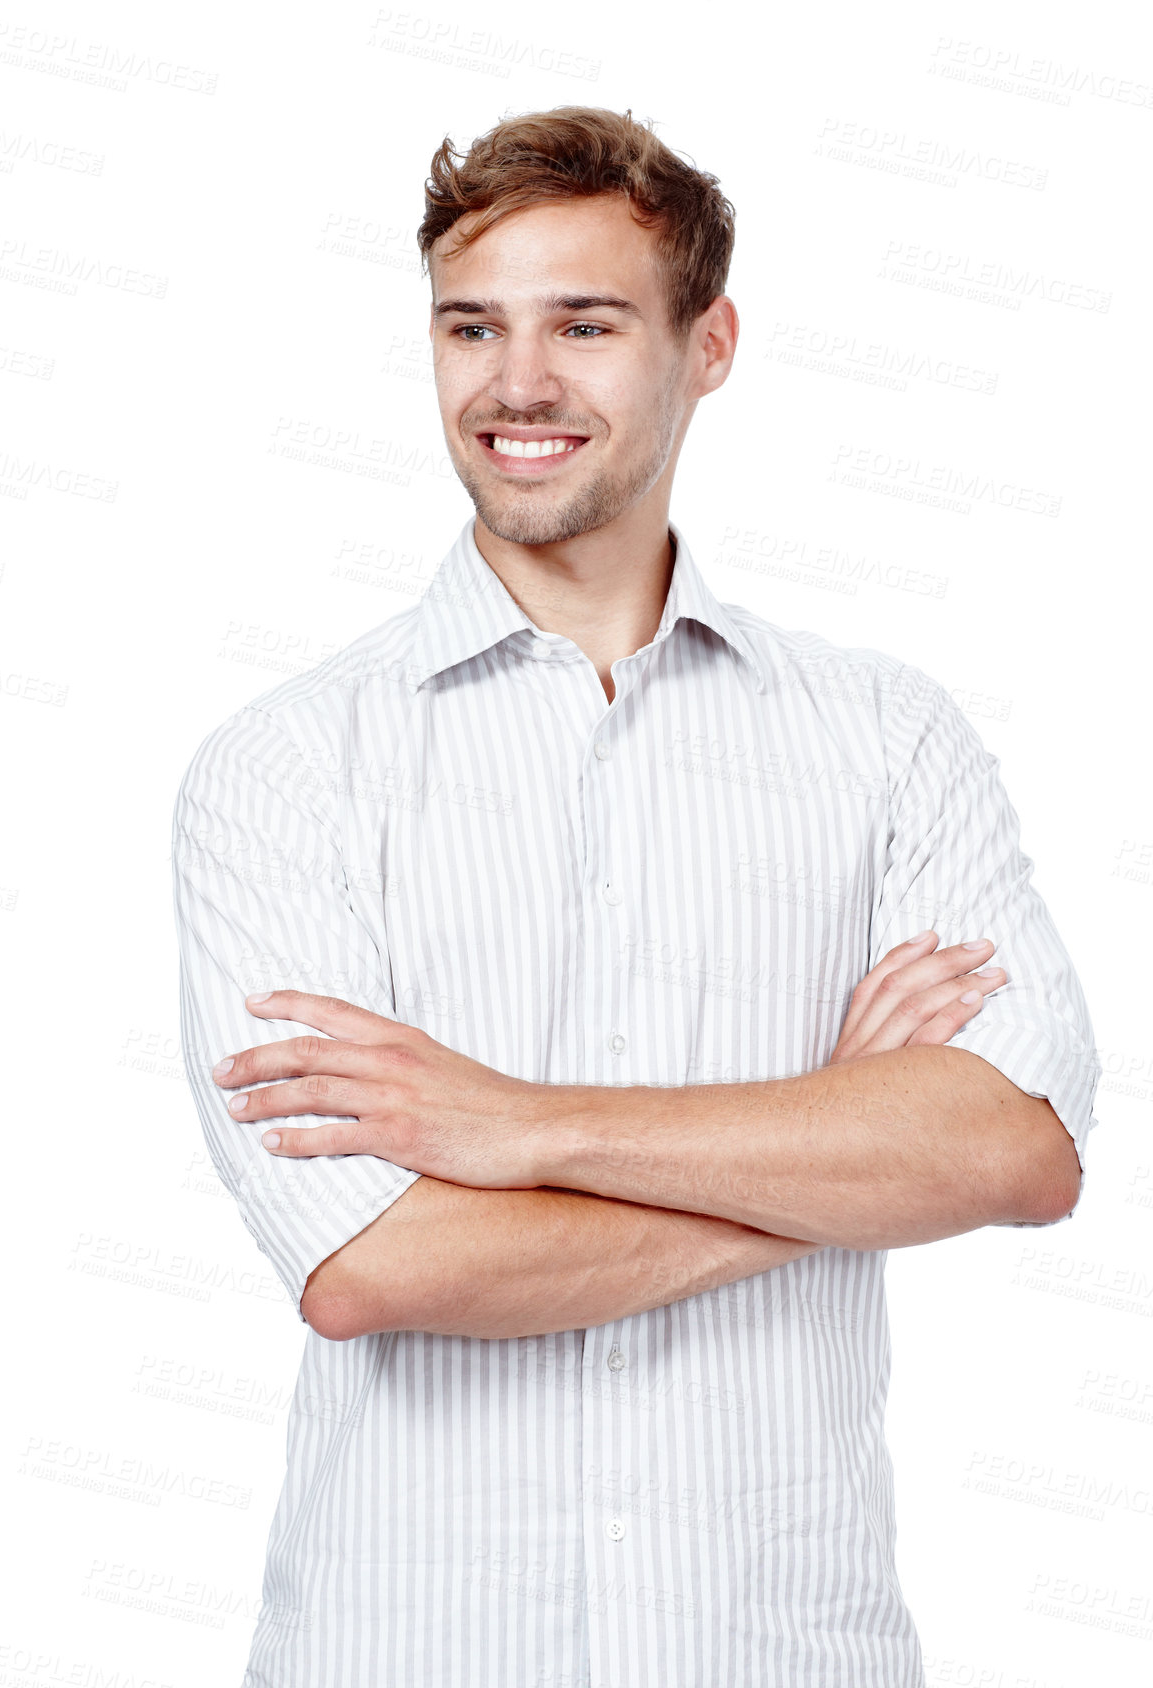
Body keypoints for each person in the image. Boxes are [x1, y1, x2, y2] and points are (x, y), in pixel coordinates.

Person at [172, 106, 1099, 1688]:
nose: (515, 386)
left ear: (709, 341)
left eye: (584, 325)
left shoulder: (885, 739)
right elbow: (379, 1266)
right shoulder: (282, 769)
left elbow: (1016, 1148)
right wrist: (832, 1139)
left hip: (782, 1650)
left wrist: (522, 1128)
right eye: (474, 327)